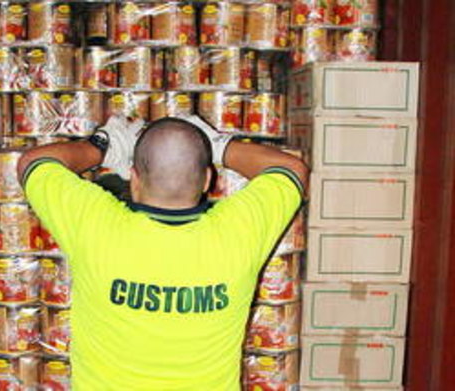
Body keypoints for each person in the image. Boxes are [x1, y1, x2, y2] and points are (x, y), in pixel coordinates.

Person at [17, 115, 308, 390]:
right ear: (207, 179)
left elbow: (33, 161)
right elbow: (293, 169)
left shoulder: (94, 223)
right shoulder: (240, 231)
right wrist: (218, 147)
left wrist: (101, 146)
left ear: (134, 178)